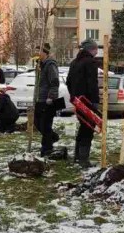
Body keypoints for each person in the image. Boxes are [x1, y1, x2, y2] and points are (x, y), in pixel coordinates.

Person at [66, 38, 100, 168]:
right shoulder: (91, 62)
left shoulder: (75, 62)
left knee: (83, 127)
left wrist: (74, 96)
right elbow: (93, 84)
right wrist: (95, 101)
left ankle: (77, 156)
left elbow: (68, 81)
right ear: (91, 49)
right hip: (87, 101)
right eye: (96, 49)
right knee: (88, 128)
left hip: (78, 100)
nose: (97, 51)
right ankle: (83, 160)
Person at [35, 43, 60, 157]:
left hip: (48, 100)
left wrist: (51, 97)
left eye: (38, 52)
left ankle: (46, 149)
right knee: (37, 122)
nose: (36, 54)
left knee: (45, 125)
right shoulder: (42, 65)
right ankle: (53, 137)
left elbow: (54, 82)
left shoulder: (50, 65)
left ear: (44, 53)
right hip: (40, 99)